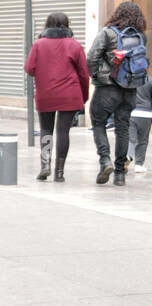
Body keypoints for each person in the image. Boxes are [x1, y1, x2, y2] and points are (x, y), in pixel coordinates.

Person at [86, 1, 149, 186]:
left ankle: (105, 161)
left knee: (98, 123)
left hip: (107, 88)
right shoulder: (141, 36)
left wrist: (97, 75)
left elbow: (91, 57)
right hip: (130, 89)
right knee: (123, 128)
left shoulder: (108, 32)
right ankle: (120, 174)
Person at [24, 12, 88, 182]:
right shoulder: (74, 45)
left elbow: (29, 68)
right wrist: (84, 96)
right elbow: (83, 74)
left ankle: (45, 166)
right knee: (63, 131)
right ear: (67, 25)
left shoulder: (38, 44)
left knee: (46, 129)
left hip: (46, 94)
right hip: (70, 94)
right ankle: (59, 173)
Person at [127, 73, 152, 174]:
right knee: (142, 140)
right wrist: (149, 105)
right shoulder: (150, 80)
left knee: (130, 138)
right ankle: (139, 165)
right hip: (145, 114)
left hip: (130, 113)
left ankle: (128, 155)